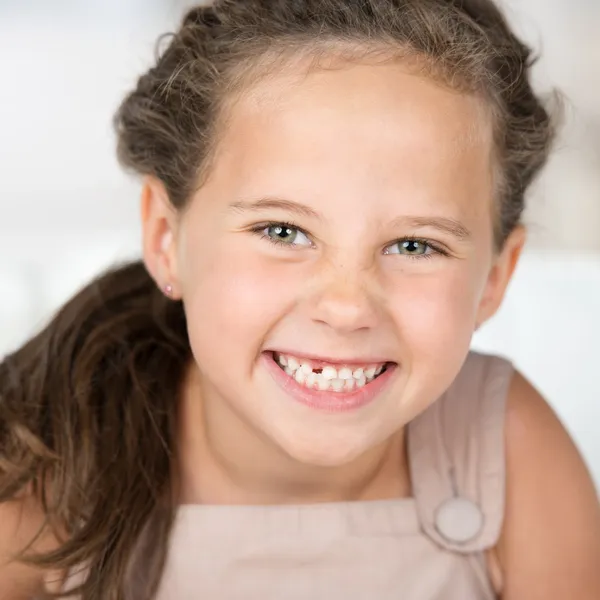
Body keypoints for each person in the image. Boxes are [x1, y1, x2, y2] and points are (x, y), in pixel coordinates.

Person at [1, 1, 599, 598]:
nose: (345, 307)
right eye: (282, 232)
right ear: (166, 238)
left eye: (415, 245)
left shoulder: (506, 450)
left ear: (494, 278)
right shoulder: (47, 475)